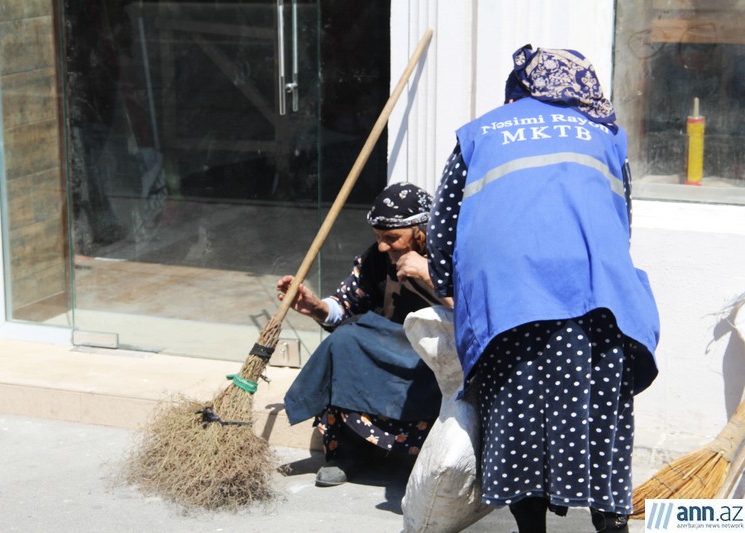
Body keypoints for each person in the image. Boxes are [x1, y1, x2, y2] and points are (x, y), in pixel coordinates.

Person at [427, 45, 660, 532]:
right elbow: (622, 224)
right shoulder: (604, 135)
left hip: (511, 302)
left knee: (518, 425)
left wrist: (449, 288)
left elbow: (444, 224)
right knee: (601, 425)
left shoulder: (483, 131)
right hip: (598, 303)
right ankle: (609, 520)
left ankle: (531, 526)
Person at [278, 182, 449, 487]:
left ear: (421, 230)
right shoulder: (377, 258)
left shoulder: (454, 255)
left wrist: (429, 273)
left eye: (391, 238)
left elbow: (479, 311)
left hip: (437, 351)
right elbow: (344, 303)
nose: (383, 246)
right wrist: (316, 306)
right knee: (344, 341)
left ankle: (430, 457)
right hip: (390, 343)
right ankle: (351, 451)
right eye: (378, 238)